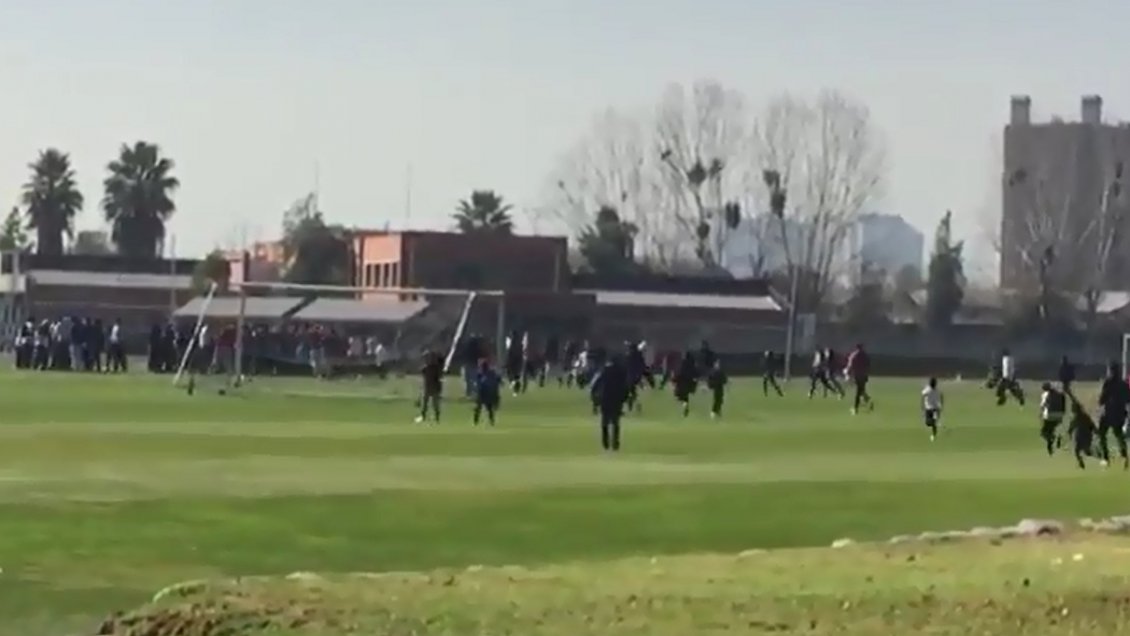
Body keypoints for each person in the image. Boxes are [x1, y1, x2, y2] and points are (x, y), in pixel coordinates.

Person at [591, 355, 629, 452]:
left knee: (605, 421)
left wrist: (595, 396)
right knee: (616, 422)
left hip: (606, 398)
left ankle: (605, 442)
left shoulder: (606, 371)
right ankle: (615, 443)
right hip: (616, 399)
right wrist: (624, 398)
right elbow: (626, 386)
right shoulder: (622, 371)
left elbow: (597, 383)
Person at [1096, 361, 1130, 469]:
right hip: (1120, 413)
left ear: (1110, 371)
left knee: (1101, 433)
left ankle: (1105, 457)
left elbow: (1102, 399)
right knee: (1118, 434)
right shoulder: (1123, 384)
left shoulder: (1108, 383)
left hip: (1109, 412)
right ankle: (1124, 456)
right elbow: (1128, 399)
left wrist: (1100, 401)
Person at [1039, 382, 1066, 456]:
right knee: (1053, 429)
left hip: (1051, 414)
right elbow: (1063, 405)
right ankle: (1055, 440)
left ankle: (1052, 440)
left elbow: (1044, 405)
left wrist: (1041, 413)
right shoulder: (1061, 394)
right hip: (1059, 415)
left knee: (1045, 432)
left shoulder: (1047, 395)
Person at [1067, 399, 1096, 470]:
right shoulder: (1085, 416)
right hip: (1086, 435)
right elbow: (1092, 426)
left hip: (1081, 435)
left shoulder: (1076, 418)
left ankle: (1081, 461)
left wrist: (1069, 434)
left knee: (1078, 451)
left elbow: (1071, 428)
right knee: (1084, 450)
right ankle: (1083, 460)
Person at [845, 343, 874, 415]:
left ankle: (856, 408)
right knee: (861, 390)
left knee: (859, 391)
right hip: (864, 375)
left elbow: (850, 365)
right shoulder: (865, 355)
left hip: (857, 375)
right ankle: (868, 401)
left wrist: (848, 374)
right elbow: (868, 365)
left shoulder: (854, 355)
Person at [415, 351, 443, 424]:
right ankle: (426, 416)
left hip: (433, 387)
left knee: (433, 403)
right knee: (427, 403)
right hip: (429, 387)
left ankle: (436, 417)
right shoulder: (429, 368)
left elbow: (438, 378)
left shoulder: (434, 369)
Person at [473, 358, 502, 426]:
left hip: (483, 393)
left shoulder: (481, 374)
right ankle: (491, 421)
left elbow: (478, 384)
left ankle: (476, 421)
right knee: (489, 408)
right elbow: (498, 380)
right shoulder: (491, 373)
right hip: (488, 394)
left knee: (479, 408)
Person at [672, 351, 699, 417]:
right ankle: (686, 408)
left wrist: (674, 379)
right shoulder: (692, 363)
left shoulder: (683, 363)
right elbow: (695, 373)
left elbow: (679, 372)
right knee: (685, 397)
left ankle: (685, 407)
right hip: (689, 383)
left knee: (680, 396)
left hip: (682, 382)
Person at [921, 377, 943, 441]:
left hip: (933, 409)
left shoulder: (935, 390)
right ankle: (935, 423)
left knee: (931, 423)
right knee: (928, 423)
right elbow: (923, 395)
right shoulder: (928, 389)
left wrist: (940, 405)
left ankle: (934, 435)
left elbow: (923, 396)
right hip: (930, 408)